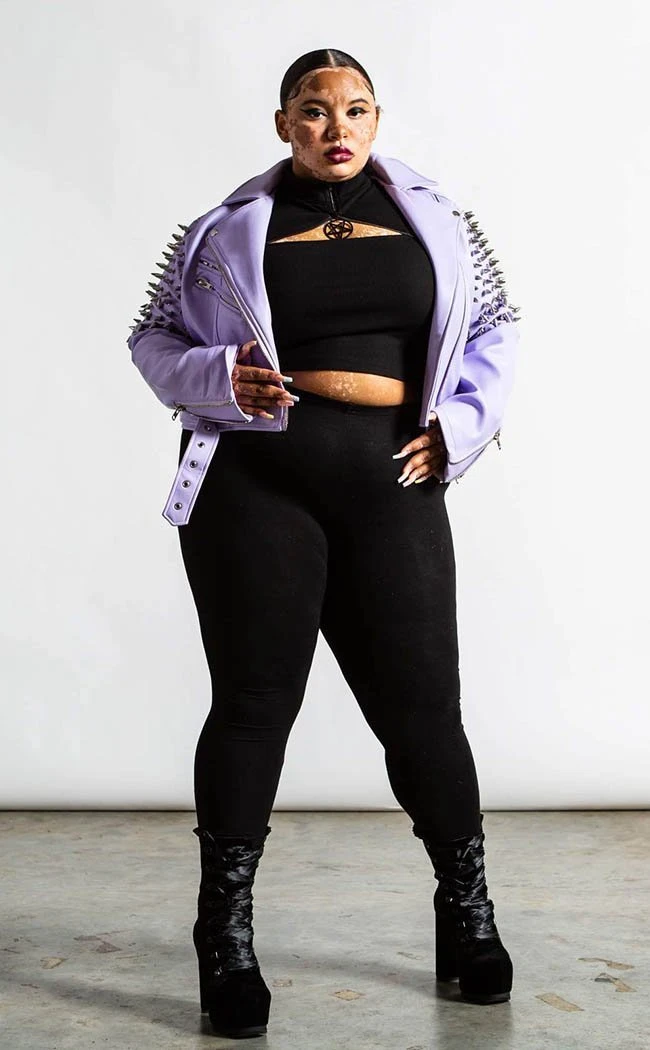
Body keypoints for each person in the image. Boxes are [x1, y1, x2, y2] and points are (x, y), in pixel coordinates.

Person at [127, 47, 521, 1040]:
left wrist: (461, 429)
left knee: (423, 711)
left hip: (393, 484)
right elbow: (153, 339)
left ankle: (465, 913)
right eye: (312, 109)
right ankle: (225, 937)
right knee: (254, 704)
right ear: (283, 124)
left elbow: (494, 330)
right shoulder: (222, 229)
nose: (334, 127)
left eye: (353, 109)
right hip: (256, 485)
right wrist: (216, 375)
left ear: (376, 121)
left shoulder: (437, 219)